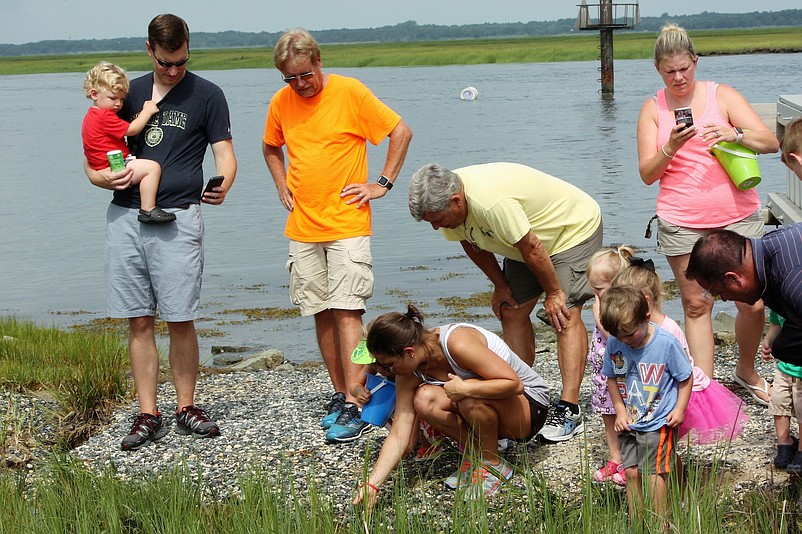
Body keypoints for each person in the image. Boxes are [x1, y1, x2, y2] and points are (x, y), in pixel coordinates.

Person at [83, 14, 237, 450]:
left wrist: (224, 182)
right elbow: (93, 154)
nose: (174, 70)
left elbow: (225, 154)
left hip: (178, 216)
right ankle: (148, 413)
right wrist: (99, 180)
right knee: (139, 319)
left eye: (182, 61)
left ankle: (186, 407)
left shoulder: (208, 94)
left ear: (188, 48)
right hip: (125, 216)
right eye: (166, 62)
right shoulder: (123, 92)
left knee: (181, 317)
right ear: (150, 50)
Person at [262, 28, 412, 444]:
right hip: (303, 225)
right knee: (321, 311)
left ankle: (356, 393)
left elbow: (400, 132)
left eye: (304, 75)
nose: (299, 85)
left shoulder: (350, 92)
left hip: (347, 222)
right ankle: (340, 392)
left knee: (349, 312)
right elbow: (271, 147)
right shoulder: (281, 102)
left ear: (318, 60)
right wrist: (280, 184)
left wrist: (382, 182)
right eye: (290, 78)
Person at [636, 23, 779, 405]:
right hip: (681, 220)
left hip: (737, 216)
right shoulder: (653, 108)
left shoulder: (723, 95)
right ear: (658, 70)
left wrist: (735, 135)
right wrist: (668, 147)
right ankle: (705, 389)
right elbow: (647, 174)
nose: (679, 77)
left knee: (753, 302)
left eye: (684, 68)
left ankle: (746, 371)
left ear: (695, 62)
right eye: (670, 71)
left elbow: (771, 142)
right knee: (698, 304)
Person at [408, 162, 602, 442]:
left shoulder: (491, 203)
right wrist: (500, 285)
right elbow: (470, 242)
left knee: (564, 313)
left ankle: (569, 408)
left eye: (437, 218)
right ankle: (518, 397)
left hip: (570, 229)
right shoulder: (451, 207)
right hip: (524, 239)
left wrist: (554, 292)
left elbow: (532, 246)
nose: (436, 226)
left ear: (456, 201)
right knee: (510, 310)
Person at [352, 305, 550, 508]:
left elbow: (514, 384)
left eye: (389, 365)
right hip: (492, 408)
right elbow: (399, 435)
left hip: (529, 406)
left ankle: (492, 466)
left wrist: (465, 389)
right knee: (424, 399)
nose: (386, 372)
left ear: (409, 352)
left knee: (467, 394)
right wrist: (372, 484)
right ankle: (477, 457)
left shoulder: (457, 342)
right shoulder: (409, 373)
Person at [613, 261, 747, 446]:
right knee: (656, 444)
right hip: (649, 389)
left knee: (665, 442)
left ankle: (670, 473)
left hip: (678, 392)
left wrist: (677, 406)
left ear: (646, 300)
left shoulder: (668, 330)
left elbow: (683, 370)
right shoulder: (632, 333)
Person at [600, 285, 693, 528]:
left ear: (646, 317)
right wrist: (619, 410)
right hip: (630, 420)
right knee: (631, 473)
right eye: (618, 336)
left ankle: (661, 524)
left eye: (629, 334)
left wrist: (679, 409)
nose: (624, 341)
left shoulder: (665, 344)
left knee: (653, 474)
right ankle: (637, 523)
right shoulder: (615, 343)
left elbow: (685, 376)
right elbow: (611, 376)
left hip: (659, 420)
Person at [685, 224, 802, 368]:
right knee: (785, 346)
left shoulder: (792, 281)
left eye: (720, 293)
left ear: (733, 278)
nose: (724, 299)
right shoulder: (768, 249)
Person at [81, 62, 174, 224]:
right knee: (152, 168)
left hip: (102, 165)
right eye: (113, 98)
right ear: (94, 94)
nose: (118, 104)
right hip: (115, 166)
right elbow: (132, 129)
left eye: (122, 99)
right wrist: (147, 112)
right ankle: (148, 209)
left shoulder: (90, 116)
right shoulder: (105, 116)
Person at [585, 245, 635, 486]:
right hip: (603, 373)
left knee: (627, 415)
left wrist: (597, 316)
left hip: (622, 373)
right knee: (608, 414)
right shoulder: (602, 303)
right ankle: (615, 458)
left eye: (599, 289)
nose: (594, 295)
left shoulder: (622, 307)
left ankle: (630, 461)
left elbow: (616, 338)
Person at [762, 309, 802, 472]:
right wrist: (769, 340)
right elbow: (776, 325)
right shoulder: (779, 301)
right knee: (779, 403)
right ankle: (784, 442)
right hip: (783, 367)